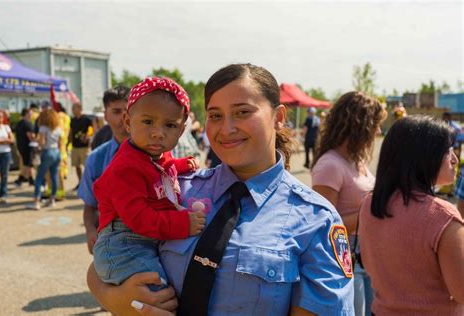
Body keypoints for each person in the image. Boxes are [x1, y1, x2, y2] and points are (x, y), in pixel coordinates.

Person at [87, 63, 354, 315]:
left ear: (279, 117)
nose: (226, 129)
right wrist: (117, 300)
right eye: (215, 115)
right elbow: (107, 256)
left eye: (242, 112)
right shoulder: (177, 188)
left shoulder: (316, 219)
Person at [91, 77, 204, 291]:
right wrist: (183, 224)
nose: (158, 132)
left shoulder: (154, 154)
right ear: (127, 121)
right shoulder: (125, 168)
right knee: (159, 293)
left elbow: (161, 169)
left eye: (170, 125)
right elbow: (139, 218)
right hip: (123, 244)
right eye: (148, 121)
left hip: (142, 240)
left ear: (181, 130)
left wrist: (180, 165)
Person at [359, 115, 464, 315]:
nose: (455, 159)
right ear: (424, 155)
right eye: (447, 150)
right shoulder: (442, 216)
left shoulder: (370, 203)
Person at [311, 91, 386, 316]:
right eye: (376, 125)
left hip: (367, 256)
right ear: (360, 125)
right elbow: (324, 229)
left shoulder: (357, 160)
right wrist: (371, 211)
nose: (379, 131)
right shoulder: (330, 165)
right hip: (345, 259)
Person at [78, 85, 130, 254]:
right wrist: (91, 231)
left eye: (128, 110)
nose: (123, 117)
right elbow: (90, 206)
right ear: (105, 115)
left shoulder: (156, 154)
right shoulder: (96, 159)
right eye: (116, 111)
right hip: (110, 245)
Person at [26, 109, 62, 210]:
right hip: (56, 152)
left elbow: (42, 143)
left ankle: (36, 202)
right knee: (54, 177)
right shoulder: (58, 128)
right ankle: (52, 200)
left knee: (39, 177)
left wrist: (36, 143)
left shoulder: (43, 128)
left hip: (47, 152)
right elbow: (60, 143)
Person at [68, 102, 93, 190]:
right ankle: (80, 183)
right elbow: (71, 131)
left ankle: (88, 184)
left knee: (86, 166)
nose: (73, 110)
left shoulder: (86, 120)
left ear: (79, 109)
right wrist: (69, 142)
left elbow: (91, 130)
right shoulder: (73, 120)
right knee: (77, 166)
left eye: (74, 108)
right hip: (75, 146)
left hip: (84, 147)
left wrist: (87, 137)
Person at [14, 108, 36, 187]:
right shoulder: (28, 123)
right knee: (27, 164)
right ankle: (19, 180)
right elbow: (31, 136)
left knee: (29, 164)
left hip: (21, 146)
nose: (32, 114)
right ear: (27, 113)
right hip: (28, 147)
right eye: (31, 113)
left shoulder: (19, 123)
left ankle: (31, 180)